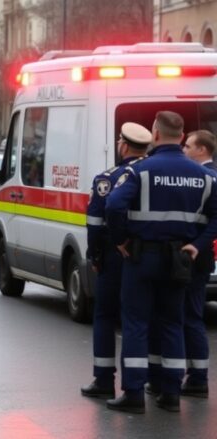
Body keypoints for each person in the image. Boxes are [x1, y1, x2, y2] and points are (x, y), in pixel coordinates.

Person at [105, 111, 217, 414]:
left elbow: (114, 204)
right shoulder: (205, 176)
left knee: (136, 323)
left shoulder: (141, 170)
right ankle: (170, 393)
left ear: (155, 134)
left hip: (142, 257)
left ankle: (133, 393)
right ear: (181, 137)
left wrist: (120, 239)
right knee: (172, 323)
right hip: (180, 259)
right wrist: (198, 244)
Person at [79, 122, 151, 400]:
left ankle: (104, 379)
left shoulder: (108, 178)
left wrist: (95, 254)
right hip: (145, 253)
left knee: (105, 315)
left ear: (123, 145)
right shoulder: (152, 174)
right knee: (143, 318)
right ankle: (152, 380)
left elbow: (95, 222)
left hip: (112, 255)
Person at [176, 129, 216, 397]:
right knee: (189, 315)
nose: (184, 150)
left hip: (196, 258)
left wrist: (196, 246)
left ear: (202, 150)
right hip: (198, 258)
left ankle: (198, 378)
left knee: (190, 316)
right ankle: (194, 375)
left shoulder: (208, 177)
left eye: (188, 146)